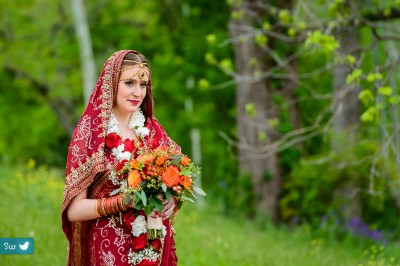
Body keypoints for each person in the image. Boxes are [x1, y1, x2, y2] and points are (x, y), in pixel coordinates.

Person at [61, 50, 180, 266]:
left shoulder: (153, 131)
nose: (138, 92)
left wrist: (171, 200)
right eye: (129, 83)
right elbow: (74, 211)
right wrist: (123, 202)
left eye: (143, 85)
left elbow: (176, 178)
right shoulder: (91, 135)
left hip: (153, 245)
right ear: (112, 84)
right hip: (109, 250)